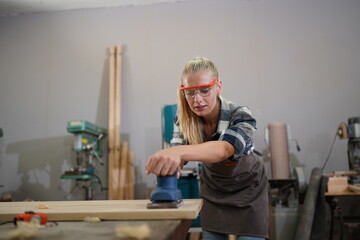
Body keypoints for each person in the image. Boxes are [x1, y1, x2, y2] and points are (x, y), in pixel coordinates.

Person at [145, 57, 269, 240]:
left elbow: (225, 149)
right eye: (190, 93)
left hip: (248, 188)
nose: (197, 100)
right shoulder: (183, 119)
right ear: (182, 92)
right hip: (214, 188)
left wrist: (177, 152)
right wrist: (168, 168)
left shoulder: (241, 114)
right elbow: (177, 153)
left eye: (205, 91)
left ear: (218, 86)